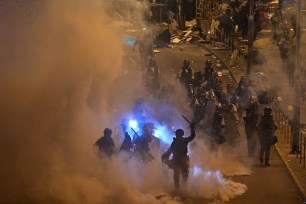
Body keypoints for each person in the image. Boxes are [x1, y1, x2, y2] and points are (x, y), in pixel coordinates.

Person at [161, 123, 196, 192]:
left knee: (178, 175)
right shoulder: (182, 141)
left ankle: (180, 190)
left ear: (179, 134)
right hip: (181, 160)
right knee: (182, 174)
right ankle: (181, 190)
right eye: (176, 134)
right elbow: (192, 136)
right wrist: (192, 128)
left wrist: (164, 156)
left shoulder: (177, 142)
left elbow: (169, 151)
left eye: (177, 134)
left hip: (178, 160)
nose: (176, 135)